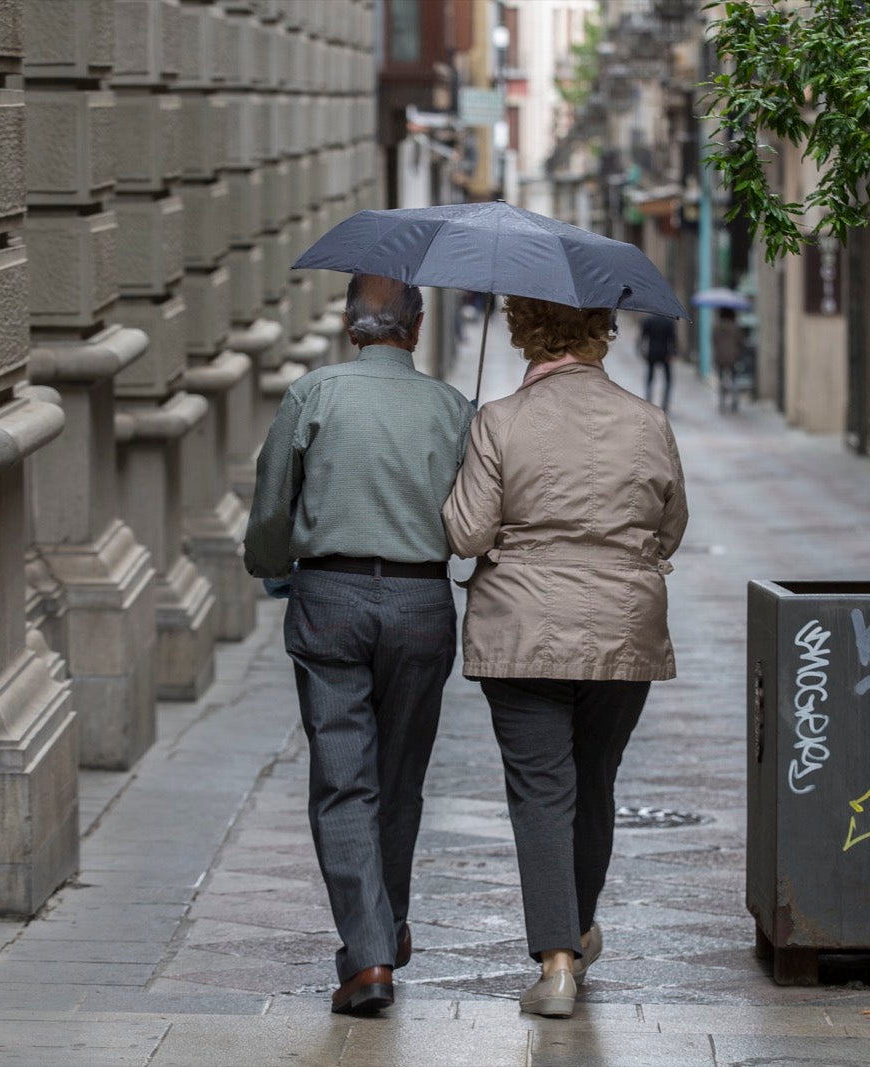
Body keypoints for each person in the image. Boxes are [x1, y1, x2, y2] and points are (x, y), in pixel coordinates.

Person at [442, 296, 689, 1019]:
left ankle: (557, 963)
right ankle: (575, 930)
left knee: (541, 791)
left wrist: (469, 463)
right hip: (623, 629)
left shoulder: (498, 420)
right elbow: (670, 527)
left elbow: (465, 533)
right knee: (595, 781)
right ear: (601, 332)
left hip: (521, 632)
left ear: (522, 331)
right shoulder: (649, 421)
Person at [243, 273, 473, 1016]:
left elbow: (272, 501)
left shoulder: (313, 395)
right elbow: (473, 517)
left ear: (350, 326)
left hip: (331, 599)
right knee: (401, 779)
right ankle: (385, 925)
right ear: (415, 326)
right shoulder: (450, 405)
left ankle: (371, 951)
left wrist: (276, 571)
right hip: (421, 602)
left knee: (345, 779)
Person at [637, 311, 677, 411]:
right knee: (668, 380)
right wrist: (673, 353)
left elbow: (642, 338)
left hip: (652, 352)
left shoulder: (649, 321)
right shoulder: (669, 322)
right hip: (665, 353)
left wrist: (642, 351)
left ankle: (648, 400)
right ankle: (665, 403)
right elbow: (673, 339)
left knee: (650, 378)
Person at [712, 307, 744, 413]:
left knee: (721, 379)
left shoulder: (717, 327)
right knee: (734, 379)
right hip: (733, 357)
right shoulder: (735, 327)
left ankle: (722, 401)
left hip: (720, 357)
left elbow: (713, 341)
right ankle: (734, 400)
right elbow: (741, 342)